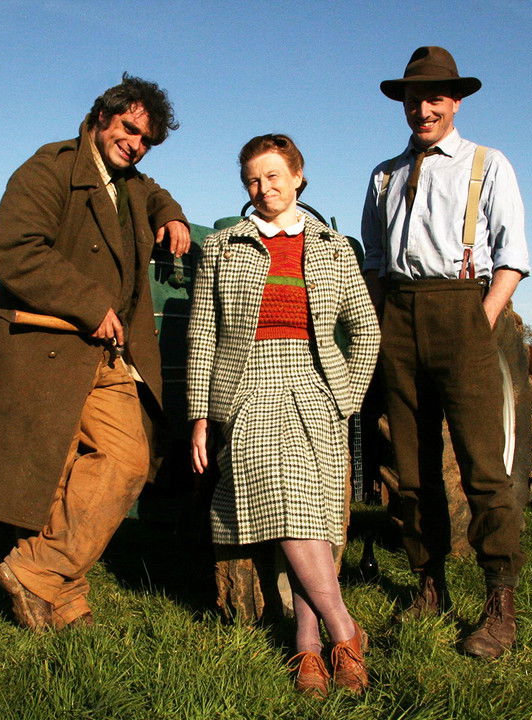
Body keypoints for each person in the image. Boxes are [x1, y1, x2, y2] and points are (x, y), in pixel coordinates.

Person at [0, 74, 191, 632]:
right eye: (129, 129)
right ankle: (66, 598)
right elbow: (14, 248)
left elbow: (152, 189)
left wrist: (171, 212)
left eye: (145, 140)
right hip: (49, 349)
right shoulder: (49, 169)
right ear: (101, 117)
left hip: (109, 355)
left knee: (127, 462)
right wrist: (88, 303)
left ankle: (34, 570)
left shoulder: (130, 182)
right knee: (52, 476)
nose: (134, 144)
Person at [188, 134, 380, 696]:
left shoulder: (334, 247)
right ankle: (344, 628)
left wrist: (344, 396)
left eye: (274, 176)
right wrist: (201, 413)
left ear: (298, 177)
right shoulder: (224, 247)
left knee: (310, 515)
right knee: (292, 500)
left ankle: (308, 645)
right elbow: (203, 333)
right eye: (252, 179)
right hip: (247, 386)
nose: (263, 188)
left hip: (315, 384)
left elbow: (365, 330)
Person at [361, 46, 531, 659]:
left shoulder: (488, 164)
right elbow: (375, 258)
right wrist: (384, 319)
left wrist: (481, 322)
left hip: (465, 311)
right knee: (412, 469)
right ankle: (428, 584)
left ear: (455, 102)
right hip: (400, 317)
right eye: (413, 98)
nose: (423, 107)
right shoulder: (383, 174)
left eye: (435, 97)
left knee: (486, 468)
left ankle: (498, 603)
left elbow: (512, 258)